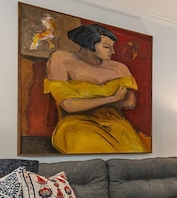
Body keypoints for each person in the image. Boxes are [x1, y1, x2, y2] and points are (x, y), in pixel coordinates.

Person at [44, 24, 149, 153]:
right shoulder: (61, 60)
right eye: (106, 47)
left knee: (134, 154)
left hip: (116, 123)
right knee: (93, 149)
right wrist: (111, 99)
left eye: (112, 47)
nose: (112, 52)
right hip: (77, 124)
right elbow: (69, 106)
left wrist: (87, 101)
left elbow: (130, 102)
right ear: (88, 45)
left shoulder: (119, 68)